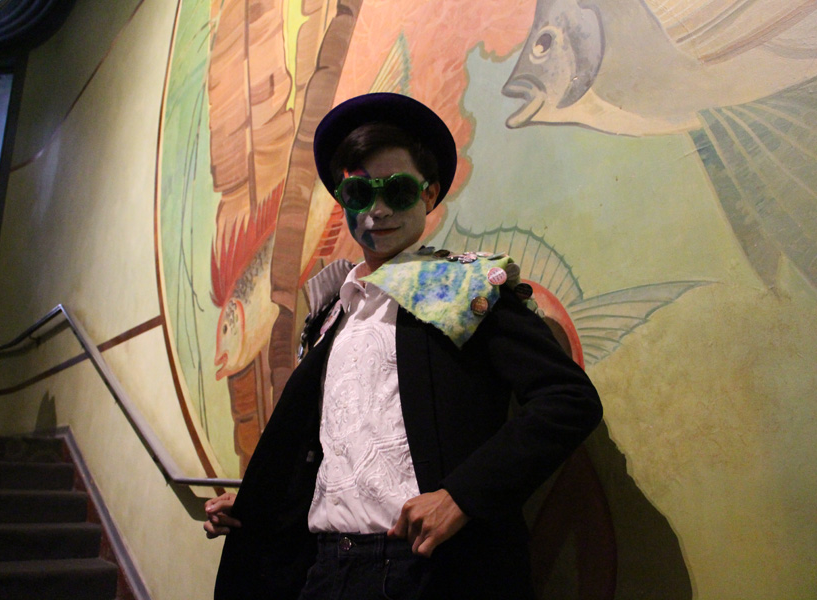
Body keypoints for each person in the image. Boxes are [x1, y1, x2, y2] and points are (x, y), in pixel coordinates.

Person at [204, 93, 602, 599]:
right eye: (358, 193)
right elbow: (332, 448)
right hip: (324, 569)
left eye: (397, 189)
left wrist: (463, 496)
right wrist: (258, 504)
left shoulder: (465, 290)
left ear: (429, 195)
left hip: (431, 570)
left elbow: (568, 399)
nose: (378, 210)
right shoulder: (329, 316)